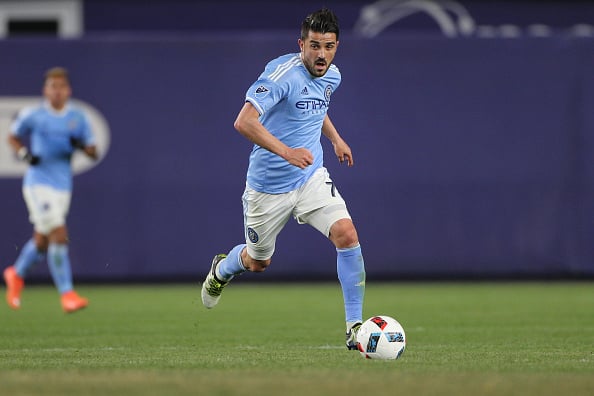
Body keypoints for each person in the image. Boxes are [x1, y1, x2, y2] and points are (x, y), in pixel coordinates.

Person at [200, 8, 366, 349]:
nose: (322, 54)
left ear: (337, 46)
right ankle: (222, 269)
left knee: (347, 234)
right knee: (258, 262)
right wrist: (286, 152)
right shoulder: (281, 74)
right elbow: (243, 121)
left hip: (310, 178)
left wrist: (335, 139)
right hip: (268, 188)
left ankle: (355, 328)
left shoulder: (332, 76)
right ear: (301, 44)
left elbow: (316, 106)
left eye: (329, 46)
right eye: (315, 46)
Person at [4, 66, 97, 313]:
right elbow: (12, 136)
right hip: (38, 182)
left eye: (61, 87)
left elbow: (93, 151)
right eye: (52, 87)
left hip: (62, 185)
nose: (57, 91)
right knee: (58, 232)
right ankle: (67, 294)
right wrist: (24, 154)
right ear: (46, 90)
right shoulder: (34, 115)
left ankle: (16, 273)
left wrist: (82, 146)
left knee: (42, 240)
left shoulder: (77, 118)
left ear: (68, 90)